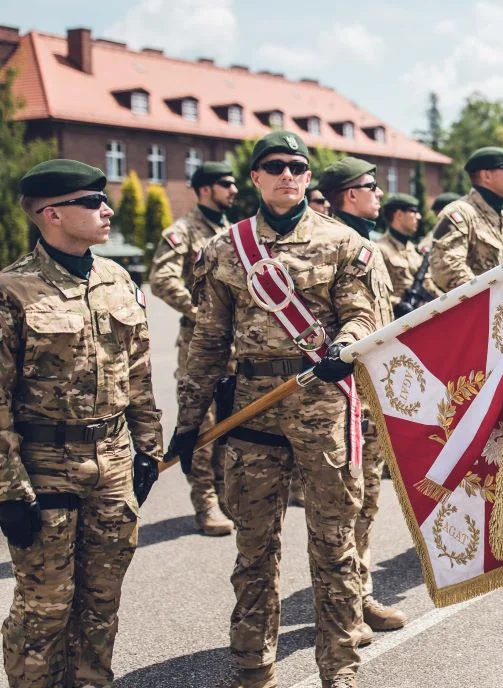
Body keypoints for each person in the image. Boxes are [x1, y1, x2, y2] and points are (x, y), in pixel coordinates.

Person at [171, 131, 380, 688]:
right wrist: (188, 423)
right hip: (253, 413)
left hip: (324, 407)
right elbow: (208, 344)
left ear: (309, 179)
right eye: (274, 166)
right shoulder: (224, 250)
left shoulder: (343, 245)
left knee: (333, 545)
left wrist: (345, 345)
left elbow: (365, 316)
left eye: (297, 166)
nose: (287, 174)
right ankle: (251, 667)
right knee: (254, 550)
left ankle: (339, 668)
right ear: (257, 178)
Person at [1, 160, 163, 688]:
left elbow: (138, 373)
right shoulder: (13, 290)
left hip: (113, 463)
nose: (106, 210)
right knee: (44, 610)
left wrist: (148, 450)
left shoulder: (117, 279)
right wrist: (8, 490)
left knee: (101, 603)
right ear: (51, 214)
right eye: (91, 202)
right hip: (45, 468)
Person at [317, 158, 407, 640]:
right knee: (342, 508)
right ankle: (343, 605)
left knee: (367, 501)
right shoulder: (330, 245)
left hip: (373, 396)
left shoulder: (366, 245)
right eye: (372, 187)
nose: (379, 195)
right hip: (341, 397)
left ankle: (359, 592)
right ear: (350, 195)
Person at [150, 161, 237, 536]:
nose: (233, 189)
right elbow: (161, 279)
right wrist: (199, 310)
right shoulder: (182, 232)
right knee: (200, 424)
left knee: (230, 421)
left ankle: (224, 494)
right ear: (205, 190)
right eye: (225, 184)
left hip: (234, 344)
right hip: (199, 343)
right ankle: (205, 502)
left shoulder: (232, 232)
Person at [430, 148, 503, 292]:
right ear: (486, 176)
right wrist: (490, 296)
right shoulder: (460, 213)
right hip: (475, 310)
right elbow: (446, 268)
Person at [377, 193, 425, 316]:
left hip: (421, 315)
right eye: (413, 211)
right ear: (399, 215)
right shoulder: (379, 249)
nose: (418, 216)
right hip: (394, 320)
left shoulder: (414, 250)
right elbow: (375, 291)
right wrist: (397, 304)